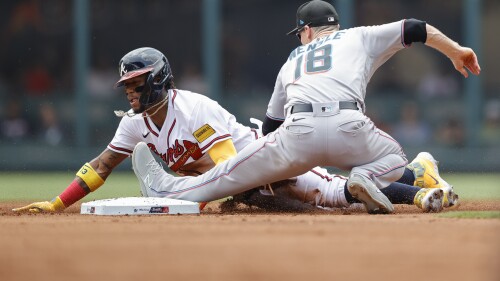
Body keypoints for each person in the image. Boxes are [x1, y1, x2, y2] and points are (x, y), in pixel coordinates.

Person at [124, 0, 478, 214]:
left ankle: (165, 190)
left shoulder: (293, 58)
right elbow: (414, 28)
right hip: (351, 129)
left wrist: (272, 169)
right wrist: (456, 50)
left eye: (300, 32)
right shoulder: (359, 35)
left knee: (219, 178)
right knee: (397, 160)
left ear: (307, 30)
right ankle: (364, 177)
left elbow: (270, 127)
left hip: (297, 134)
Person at [12, 47, 455, 214]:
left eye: (137, 82)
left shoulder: (194, 108)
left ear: (159, 80)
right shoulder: (134, 124)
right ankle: (418, 178)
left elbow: (230, 166)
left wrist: (207, 193)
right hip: (239, 180)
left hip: (266, 158)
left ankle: (416, 177)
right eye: (126, 84)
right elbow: (101, 166)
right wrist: (56, 204)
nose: (129, 90)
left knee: (331, 194)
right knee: (332, 196)